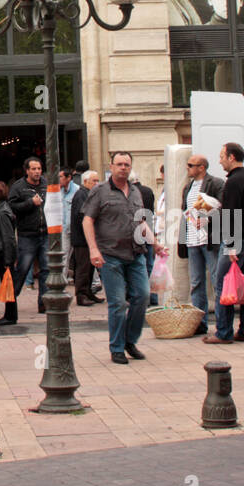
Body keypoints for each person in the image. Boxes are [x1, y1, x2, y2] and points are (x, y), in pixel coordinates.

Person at [82, 151, 156, 364]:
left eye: (127, 164)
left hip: (136, 253)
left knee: (142, 296)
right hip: (110, 255)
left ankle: (130, 341)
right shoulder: (100, 192)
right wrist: (93, 249)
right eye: (120, 164)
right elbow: (87, 220)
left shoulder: (135, 192)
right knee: (117, 303)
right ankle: (116, 347)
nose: (123, 167)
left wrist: (155, 243)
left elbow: (142, 222)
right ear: (111, 166)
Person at [205, 143, 244, 345]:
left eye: (222, 156)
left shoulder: (234, 182)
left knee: (222, 284)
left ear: (232, 157)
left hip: (237, 241)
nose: (219, 161)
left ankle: (224, 332)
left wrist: (230, 246)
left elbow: (231, 215)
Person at [180, 152, 225, 336]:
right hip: (192, 239)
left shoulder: (215, 183)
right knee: (196, 282)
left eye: (191, 165)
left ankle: (222, 324)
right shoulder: (188, 187)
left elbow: (223, 208)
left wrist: (207, 220)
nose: (187, 168)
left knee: (216, 280)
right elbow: (187, 210)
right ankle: (200, 322)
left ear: (201, 168)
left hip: (209, 239)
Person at [8, 157, 49, 312]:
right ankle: (11, 301)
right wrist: (30, 203)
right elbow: (11, 207)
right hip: (27, 234)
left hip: (45, 232)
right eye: (34, 169)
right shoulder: (18, 187)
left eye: (39, 168)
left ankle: (44, 303)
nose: (37, 172)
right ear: (27, 171)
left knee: (46, 269)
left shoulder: (46, 184)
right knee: (23, 268)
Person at [70, 170, 102, 306]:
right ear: (85, 182)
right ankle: (81, 294)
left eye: (97, 181)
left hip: (87, 238)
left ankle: (88, 292)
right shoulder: (81, 195)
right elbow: (82, 216)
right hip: (82, 239)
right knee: (83, 268)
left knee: (90, 268)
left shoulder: (88, 194)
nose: (96, 183)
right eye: (94, 181)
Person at [0, 181, 18, 326]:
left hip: (4, 253)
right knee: (7, 284)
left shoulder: (1, 211)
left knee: (8, 283)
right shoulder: (1, 209)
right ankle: (10, 314)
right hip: (3, 251)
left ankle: (10, 315)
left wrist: (8, 259)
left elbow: (8, 236)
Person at [58, 167, 78, 282]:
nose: (58, 179)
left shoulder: (77, 191)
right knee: (64, 255)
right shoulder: (58, 191)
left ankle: (95, 282)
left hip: (76, 229)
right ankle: (62, 281)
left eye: (60, 177)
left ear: (69, 178)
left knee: (84, 256)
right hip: (65, 229)